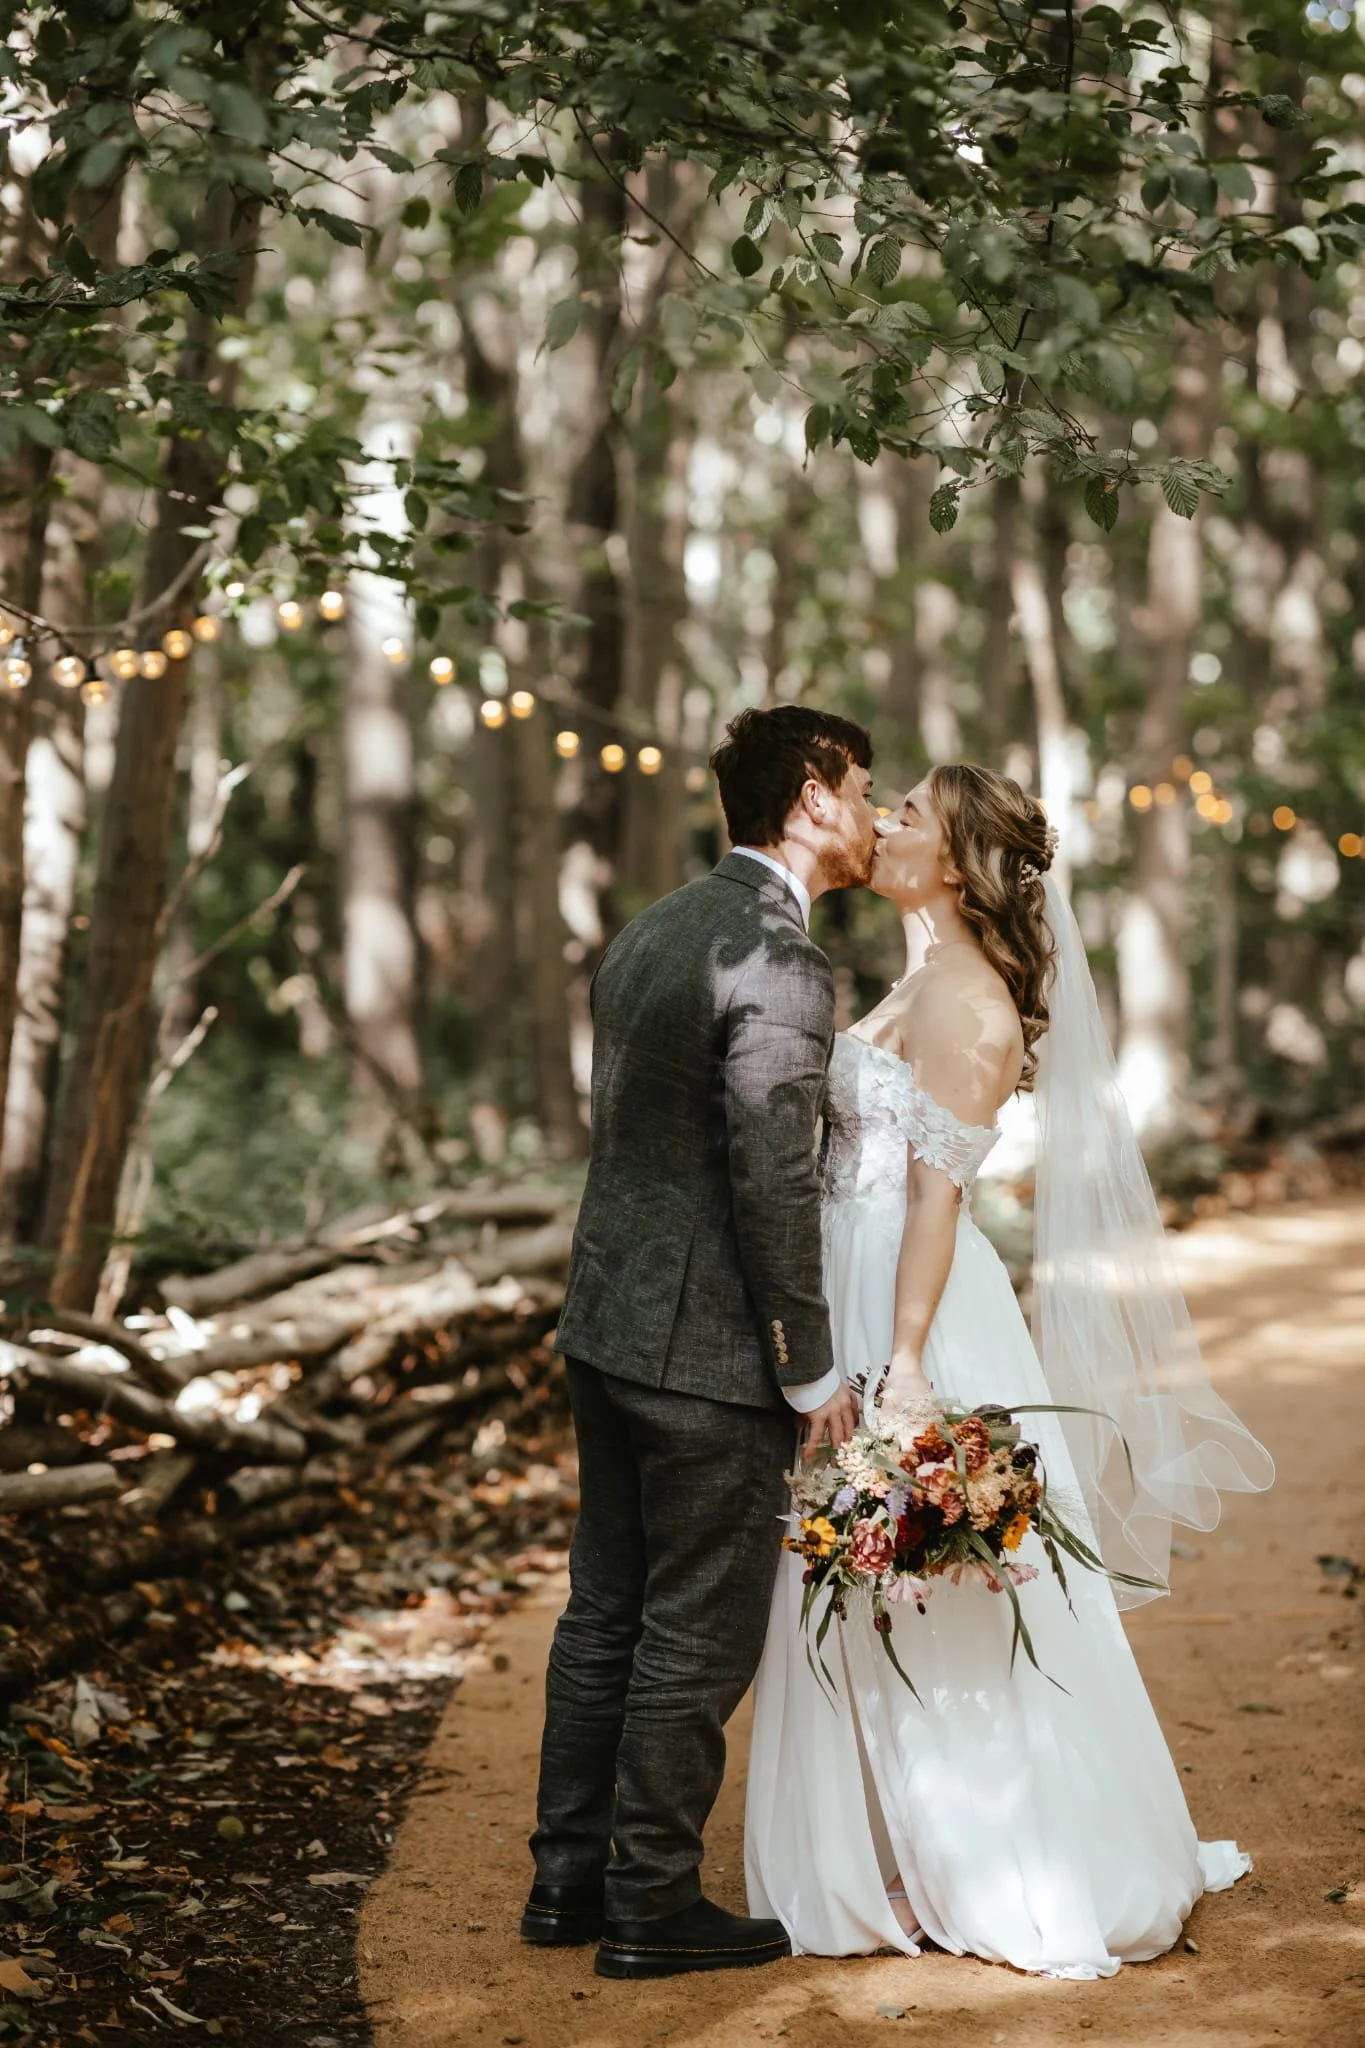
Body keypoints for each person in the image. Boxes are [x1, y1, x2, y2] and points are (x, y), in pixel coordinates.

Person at [745, 761, 1275, 1978]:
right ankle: (889, 1836)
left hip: (905, 1296)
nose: (885, 825)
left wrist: (912, 1364)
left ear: (958, 857)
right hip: (852, 1269)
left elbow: (937, 1197)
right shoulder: (920, 975)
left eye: (911, 815)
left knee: (932, 1573)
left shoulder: (969, 1002)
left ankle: (986, 1852)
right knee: (868, 1566)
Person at [524, 704, 872, 1979]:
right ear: (814, 797)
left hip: (605, 1320)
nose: (877, 811)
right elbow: (768, 1181)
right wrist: (807, 1362)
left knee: (606, 1603)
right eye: (864, 785)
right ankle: (651, 1900)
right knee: (695, 1629)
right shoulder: (779, 961)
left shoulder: (658, 924)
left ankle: (565, 1880)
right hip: (705, 1353)